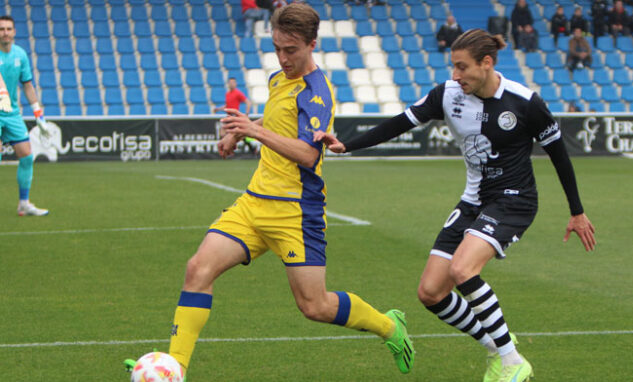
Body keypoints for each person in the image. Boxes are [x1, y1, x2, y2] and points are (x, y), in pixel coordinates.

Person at [124, 3, 414, 378]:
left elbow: (309, 154)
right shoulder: (280, 80)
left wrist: (252, 130)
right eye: (277, 47)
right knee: (198, 269)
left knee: (315, 305)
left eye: (291, 50)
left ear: (312, 44)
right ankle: (174, 368)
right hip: (254, 203)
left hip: (296, 212)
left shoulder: (316, 93)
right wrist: (238, 131)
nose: (283, 57)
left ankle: (389, 326)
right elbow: (277, 119)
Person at [314, 29, 596, 382]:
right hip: (473, 201)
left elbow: (559, 155)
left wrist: (577, 211)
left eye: (462, 67)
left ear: (487, 63)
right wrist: (348, 145)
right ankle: (496, 349)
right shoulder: (447, 95)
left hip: (514, 201)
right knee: (430, 292)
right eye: (453, 66)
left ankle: (513, 361)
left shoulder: (525, 103)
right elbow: (399, 123)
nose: (455, 75)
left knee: (464, 269)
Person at [0, 15, 49, 217]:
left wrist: (38, 114)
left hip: (11, 113)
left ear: (14, 32)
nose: (5, 32)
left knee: (27, 156)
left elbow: (27, 85)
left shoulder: (20, 54)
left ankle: (24, 203)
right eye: (1, 29)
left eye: (8, 29)